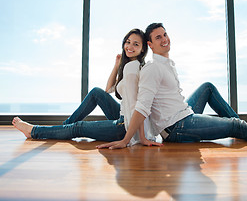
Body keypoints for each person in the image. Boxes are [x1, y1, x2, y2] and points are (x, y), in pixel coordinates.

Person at [97, 23, 247, 149]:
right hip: (177, 127)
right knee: (234, 125)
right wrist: (126, 140)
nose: (165, 39)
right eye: (158, 37)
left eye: (165, 34)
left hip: (182, 113)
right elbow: (142, 106)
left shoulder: (166, 63)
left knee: (207, 87)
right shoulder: (153, 69)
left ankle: (242, 127)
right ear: (150, 44)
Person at [12, 28, 161, 147]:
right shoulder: (130, 66)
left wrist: (139, 137)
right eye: (128, 42)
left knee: (79, 127)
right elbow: (108, 89)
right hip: (124, 115)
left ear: (142, 50)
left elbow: (137, 105)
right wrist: (116, 66)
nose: (130, 46)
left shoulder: (132, 68)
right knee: (96, 92)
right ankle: (63, 128)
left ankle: (34, 131)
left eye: (136, 44)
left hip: (125, 126)